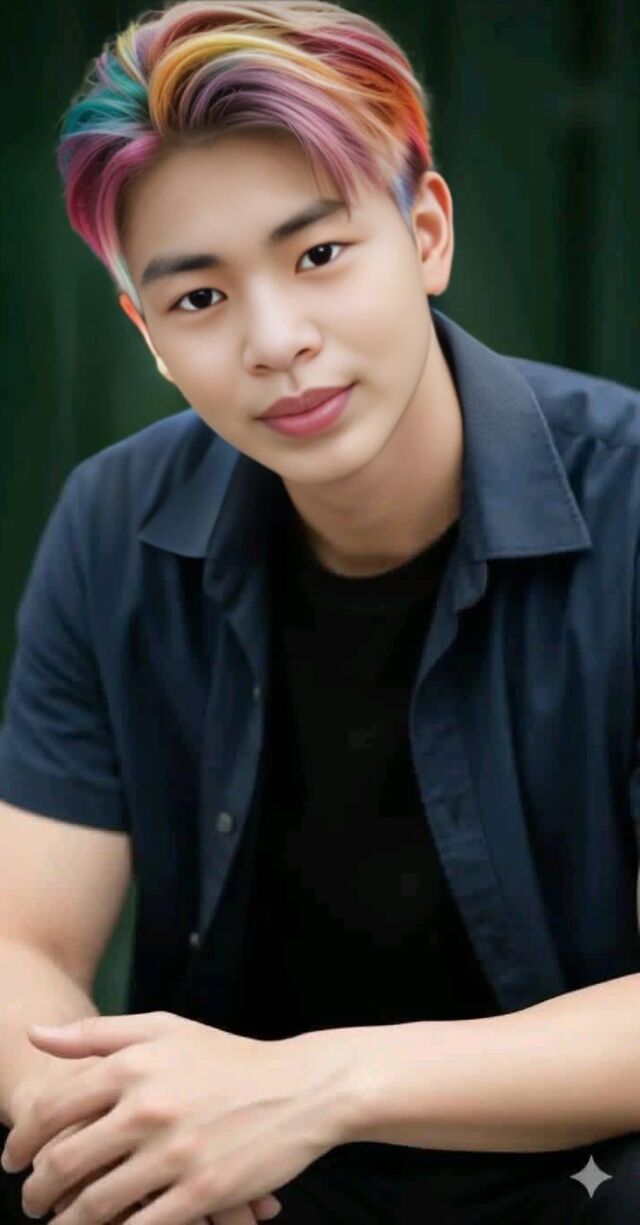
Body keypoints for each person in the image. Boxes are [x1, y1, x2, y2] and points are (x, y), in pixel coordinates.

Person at [1, 0, 640, 1221]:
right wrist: (102, 1128)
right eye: (199, 299)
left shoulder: (629, 504)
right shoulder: (113, 520)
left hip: (569, 1175)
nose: (277, 341)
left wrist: (309, 1089)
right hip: (238, 1185)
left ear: (426, 233)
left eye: (319, 255)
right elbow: (20, 943)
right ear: (148, 334)